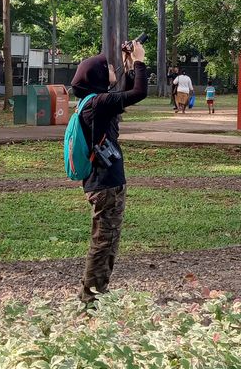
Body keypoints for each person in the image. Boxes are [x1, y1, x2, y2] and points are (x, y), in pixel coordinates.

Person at [73, 40, 147, 303]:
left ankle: (98, 290)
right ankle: (90, 298)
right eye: (108, 67)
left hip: (100, 182)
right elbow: (138, 93)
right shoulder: (98, 103)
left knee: (107, 240)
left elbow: (124, 95)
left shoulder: (91, 102)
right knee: (104, 241)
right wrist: (139, 61)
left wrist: (128, 67)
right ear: (99, 76)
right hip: (105, 185)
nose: (112, 67)